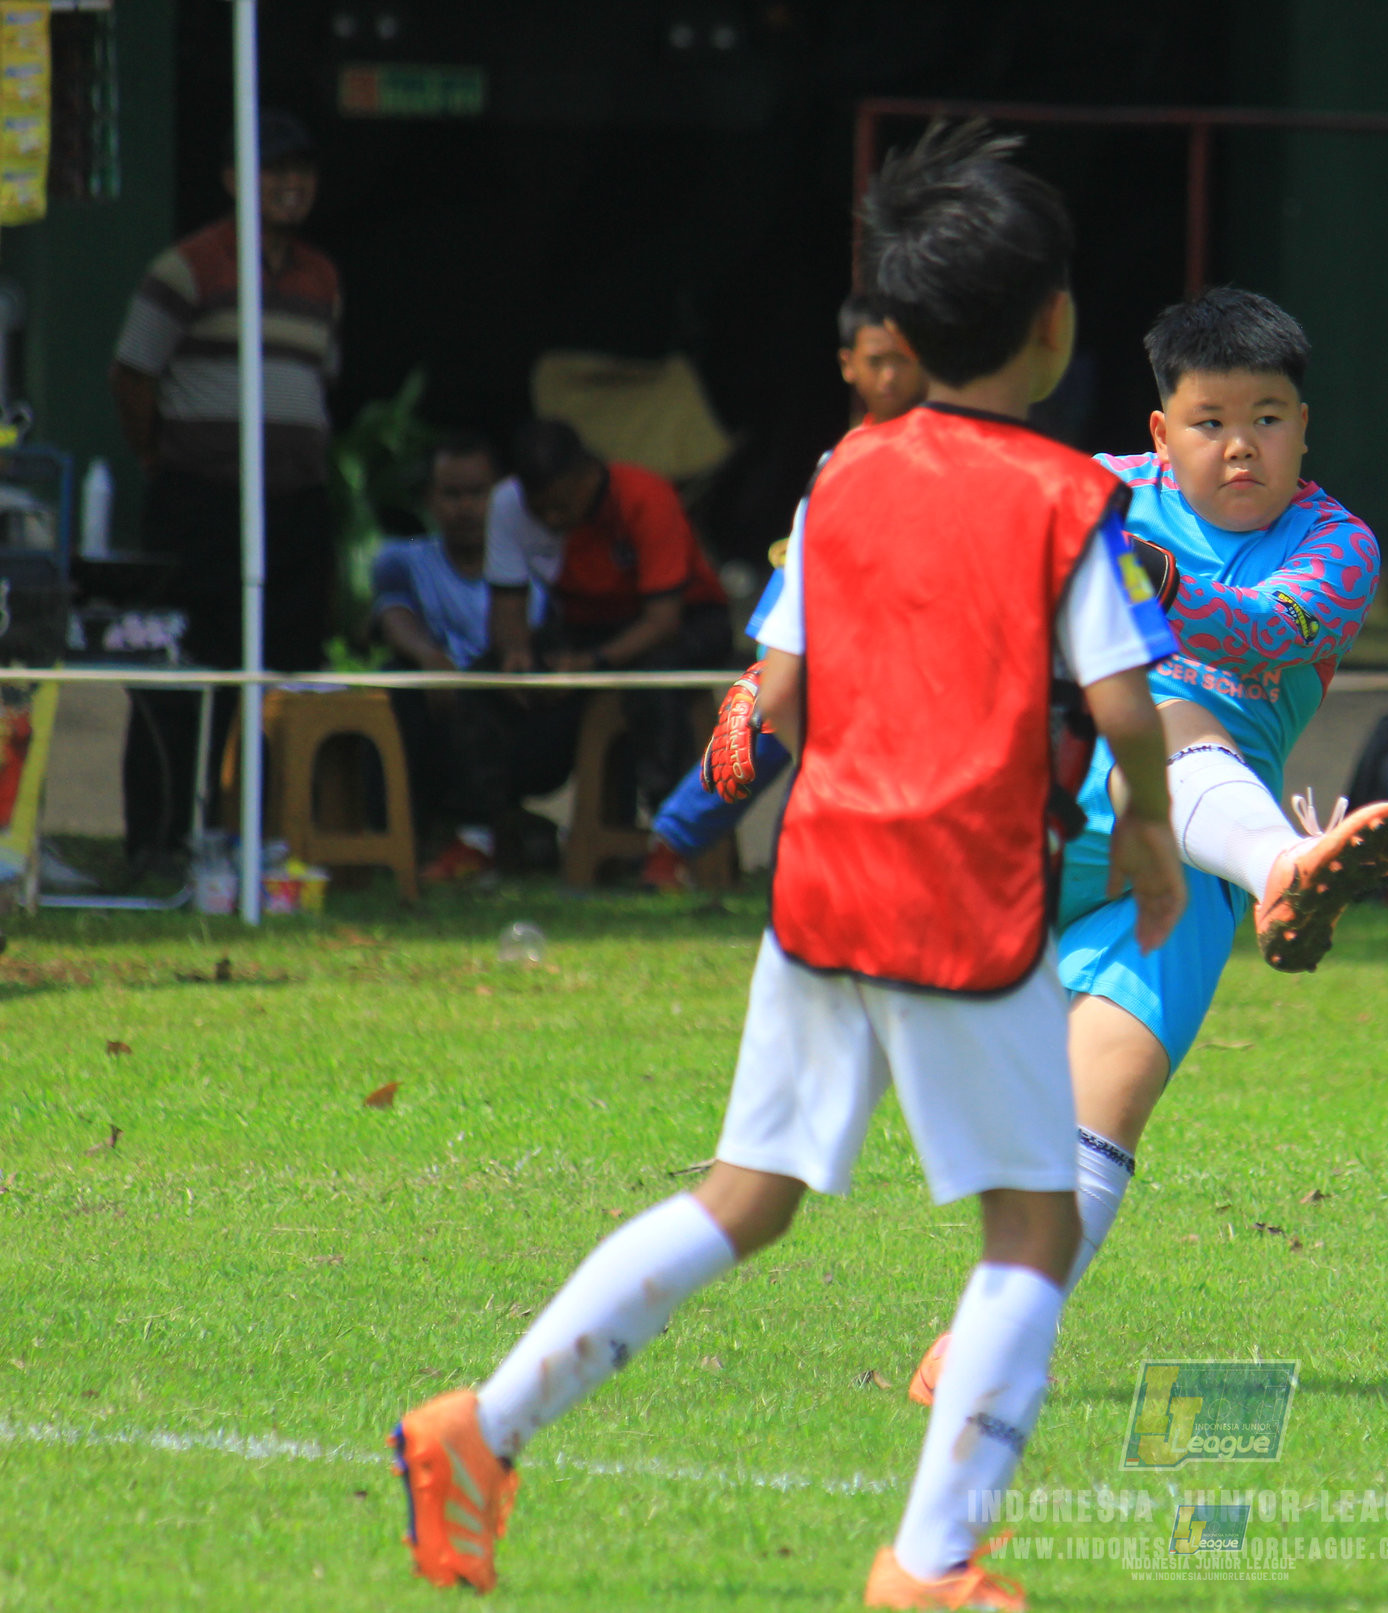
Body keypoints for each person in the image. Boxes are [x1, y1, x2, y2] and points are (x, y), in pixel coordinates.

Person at [393, 121, 1186, 1608]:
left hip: (822, 890)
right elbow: (1128, 701)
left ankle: (477, 1431)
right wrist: (1144, 823)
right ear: (1056, 325)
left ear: (898, 330)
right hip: (967, 903)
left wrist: (690, 816)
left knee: (741, 1198)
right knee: (1031, 1224)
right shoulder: (1066, 500)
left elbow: (774, 699)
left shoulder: (842, 480)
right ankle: (930, 1565)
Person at [886, 287, 1388, 1403]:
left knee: (1106, 1101)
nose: (1240, 446)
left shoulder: (1334, 544)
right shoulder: (1098, 488)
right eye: (1211, 419)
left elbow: (1270, 627)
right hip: (1041, 811)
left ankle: (987, 1337)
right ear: (1159, 430)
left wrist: (1148, 577)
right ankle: (1287, 871)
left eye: (1268, 417)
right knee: (1146, 704)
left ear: (1305, 429)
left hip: (1183, 857)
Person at [108, 108, 339, 869]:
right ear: (235, 180)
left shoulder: (320, 276)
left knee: (280, 671)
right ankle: (158, 838)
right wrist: (161, 456)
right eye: (273, 171)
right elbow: (132, 375)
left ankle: (260, 838)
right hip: (202, 501)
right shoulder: (187, 266)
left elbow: (317, 382)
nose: (289, 187)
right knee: (181, 667)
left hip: (293, 505)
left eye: (300, 172)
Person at [638, 295, 928, 890]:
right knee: (760, 710)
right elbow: (799, 578)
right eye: (877, 360)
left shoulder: (955, 453)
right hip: (833, 644)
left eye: (903, 359)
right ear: (849, 364)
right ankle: (670, 846)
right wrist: (771, 670)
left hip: (917, 652)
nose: (891, 375)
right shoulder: (837, 465)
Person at [421, 419, 730, 878]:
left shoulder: (645, 497)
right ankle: (479, 836)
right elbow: (507, 606)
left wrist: (593, 664)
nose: (552, 520)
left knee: (652, 684)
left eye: (562, 506)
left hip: (682, 622)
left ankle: (671, 844)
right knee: (481, 682)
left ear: (586, 476)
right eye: (540, 510)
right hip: (584, 626)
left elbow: (662, 621)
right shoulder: (508, 506)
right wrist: (516, 655)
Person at [368, 435, 542, 865]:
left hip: (519, 712)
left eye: (477, 493)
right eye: (451, 494)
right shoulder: (400, 559)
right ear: (429, 499)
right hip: (436, 710)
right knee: (392, 682)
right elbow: (393, 615)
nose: (464, 507)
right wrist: (429, 658)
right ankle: (392, 843)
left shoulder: (539, 562)